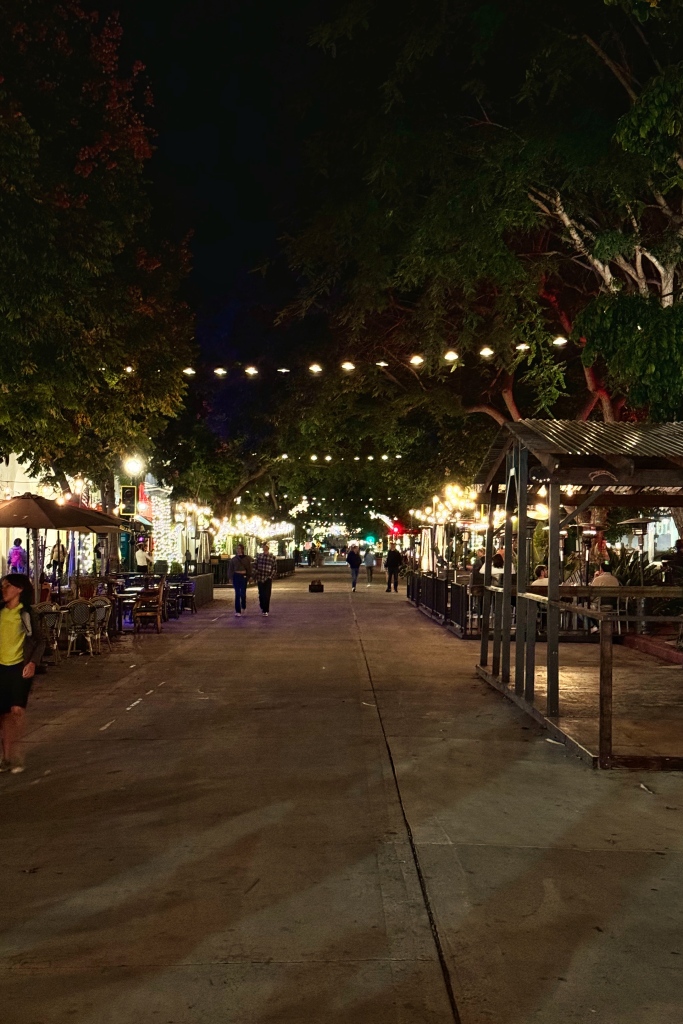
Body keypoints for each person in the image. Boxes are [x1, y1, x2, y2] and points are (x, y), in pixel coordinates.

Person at [0, 574, 44, 774]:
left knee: (16, 711)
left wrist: (33, 662)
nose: (4, 589)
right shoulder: (0, 612)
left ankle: (16, 755)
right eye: (3, 586)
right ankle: (6, 757)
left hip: (20, 667)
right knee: (3, 715)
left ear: (19, 589)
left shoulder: (26, 614)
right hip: (1, 667)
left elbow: (39, 640)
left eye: (8, 586)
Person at [254, 541, 277, 616]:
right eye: (263, 546)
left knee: (267, 594)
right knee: (261, 594)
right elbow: (255, 565)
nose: (265, 548)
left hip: (268, 578)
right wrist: (256, 573)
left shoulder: (272, 557)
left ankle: (265, 610)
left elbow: (274, 568)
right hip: (260, 577)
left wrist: (271, 576)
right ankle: (262, 605)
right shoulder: (259, 556)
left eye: (266, 546)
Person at [230, 543, 252, 616]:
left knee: (243, 593)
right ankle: (238, 610)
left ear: (242, 549)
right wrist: (230, 577)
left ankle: (243, 605)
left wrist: (249, 576)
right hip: (236, 576)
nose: (238, 550)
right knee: (237, 593)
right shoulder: (234, 559)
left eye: (239, 548)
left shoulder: (247, 558)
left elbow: (249, 568)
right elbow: (231, 569)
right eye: (237, 548)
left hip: (243, 576)